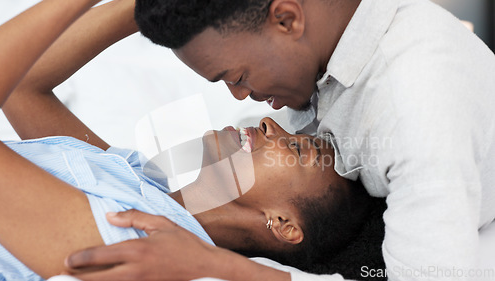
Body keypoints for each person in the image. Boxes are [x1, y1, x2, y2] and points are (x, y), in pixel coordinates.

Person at [62, 0, 495, 280]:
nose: (250, 105)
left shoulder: (416, 107)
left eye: (238, 77)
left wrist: (220, 268)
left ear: (287, 19)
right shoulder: (319, 64)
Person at [0, 1, 385, 280]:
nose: (270, 123)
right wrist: (162, 11)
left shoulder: (134, 241)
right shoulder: (141, 184)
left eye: (299, 149)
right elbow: (22, 88)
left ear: (283, 224)